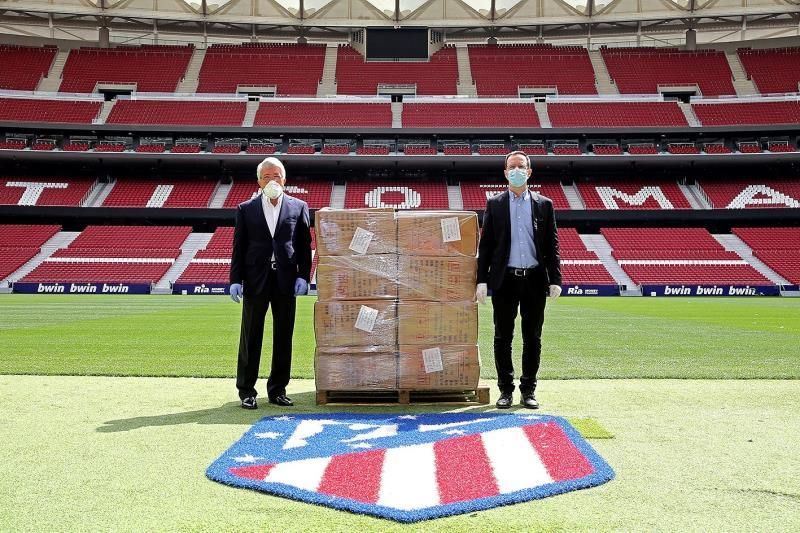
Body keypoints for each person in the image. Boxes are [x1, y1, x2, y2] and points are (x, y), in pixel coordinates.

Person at [475, 151, 562, 409]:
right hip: (505, 280)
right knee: (503, 337)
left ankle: (528, 390)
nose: (516, 170)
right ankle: (505, 390)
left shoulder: (544, 205)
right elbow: (486, 245)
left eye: (520, 166)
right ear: (505, 173)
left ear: (529, 171)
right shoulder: (495, 204)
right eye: (511, 167)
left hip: (534, 279)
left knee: (532, 338)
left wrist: (555, 279)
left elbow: (552, 245)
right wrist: (481, 280)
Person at [229, 157, 312, 409]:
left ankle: (278, 389)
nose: (272, 180)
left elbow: (304, 246)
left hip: (285, 280)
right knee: (251, 335)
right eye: (266, 177)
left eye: (276, 176)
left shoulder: (299, 207)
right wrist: (235, 279)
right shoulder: (246, 209)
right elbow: (239, 246)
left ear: (284, 179)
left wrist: (303, 276)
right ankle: (246, 390)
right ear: (259, 181)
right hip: (256, 280)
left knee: (284, 335)